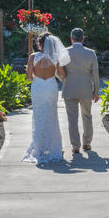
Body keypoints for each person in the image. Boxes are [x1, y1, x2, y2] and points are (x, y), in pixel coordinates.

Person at [22, 32, 71, 164]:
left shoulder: (33, 57)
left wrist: (37, 80)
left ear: (40, 44)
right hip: (50, 87)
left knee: (38, 115)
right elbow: (62, 75)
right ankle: (53, 147)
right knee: (51, 115)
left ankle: (39, 148)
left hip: (37, 87)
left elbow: (28, 76)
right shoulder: (55, 58)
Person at [62, 28, 99, 154]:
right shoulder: (91, 53)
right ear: (83, 39)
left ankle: (75, 146)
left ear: (71, 39)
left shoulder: (64, 52)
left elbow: (59, 71)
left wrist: (64, 79)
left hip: (69, 89)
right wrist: (96, 91)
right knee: (87, 116)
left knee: (72, 119)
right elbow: (95, 74)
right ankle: (87, 143)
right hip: (86, 89)